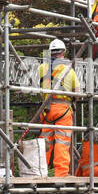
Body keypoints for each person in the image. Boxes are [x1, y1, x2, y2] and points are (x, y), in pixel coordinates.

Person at [36, 39, 79, 176]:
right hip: (63, 109)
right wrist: (73, 102)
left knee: (45, 142)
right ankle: (61, 173)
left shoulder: (42, 68)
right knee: (62, 141)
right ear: (63, 53)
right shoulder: (68, 69)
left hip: (46, 109)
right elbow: (77, 93)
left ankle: (40, 172)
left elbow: (38, 89)